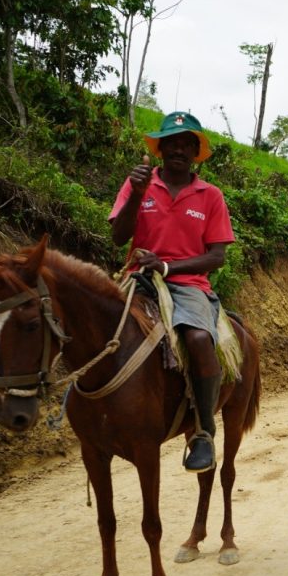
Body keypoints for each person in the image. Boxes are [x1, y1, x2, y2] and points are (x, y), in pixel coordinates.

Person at [109, 112, 234, 473]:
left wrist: (167, 266)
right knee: (96, 324)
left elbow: (217, 256)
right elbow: (119, 238)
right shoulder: (137, 184)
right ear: (160, 148)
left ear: (196, 152)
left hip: (188, 285)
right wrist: (136, 192)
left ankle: (203, 433)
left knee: (196, 338)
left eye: (187, 143)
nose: (178, 148)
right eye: (172, 142)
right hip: (137, 278)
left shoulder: (210, 196)